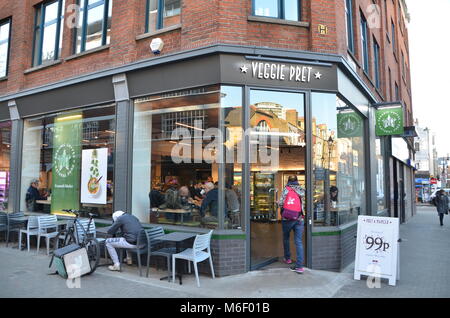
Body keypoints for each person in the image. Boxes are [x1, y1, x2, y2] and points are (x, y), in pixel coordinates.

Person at [278, 176, 305, 274]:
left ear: (288, 181)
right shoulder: (301, 190)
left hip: (287, 218)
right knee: (298, 241)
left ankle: (288, 258)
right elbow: (304, 205)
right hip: (299, 218)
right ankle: (299, 266)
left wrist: (279, 205)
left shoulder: (286, 189)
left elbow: (281, 203)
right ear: (297, 181)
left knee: (286, 238)